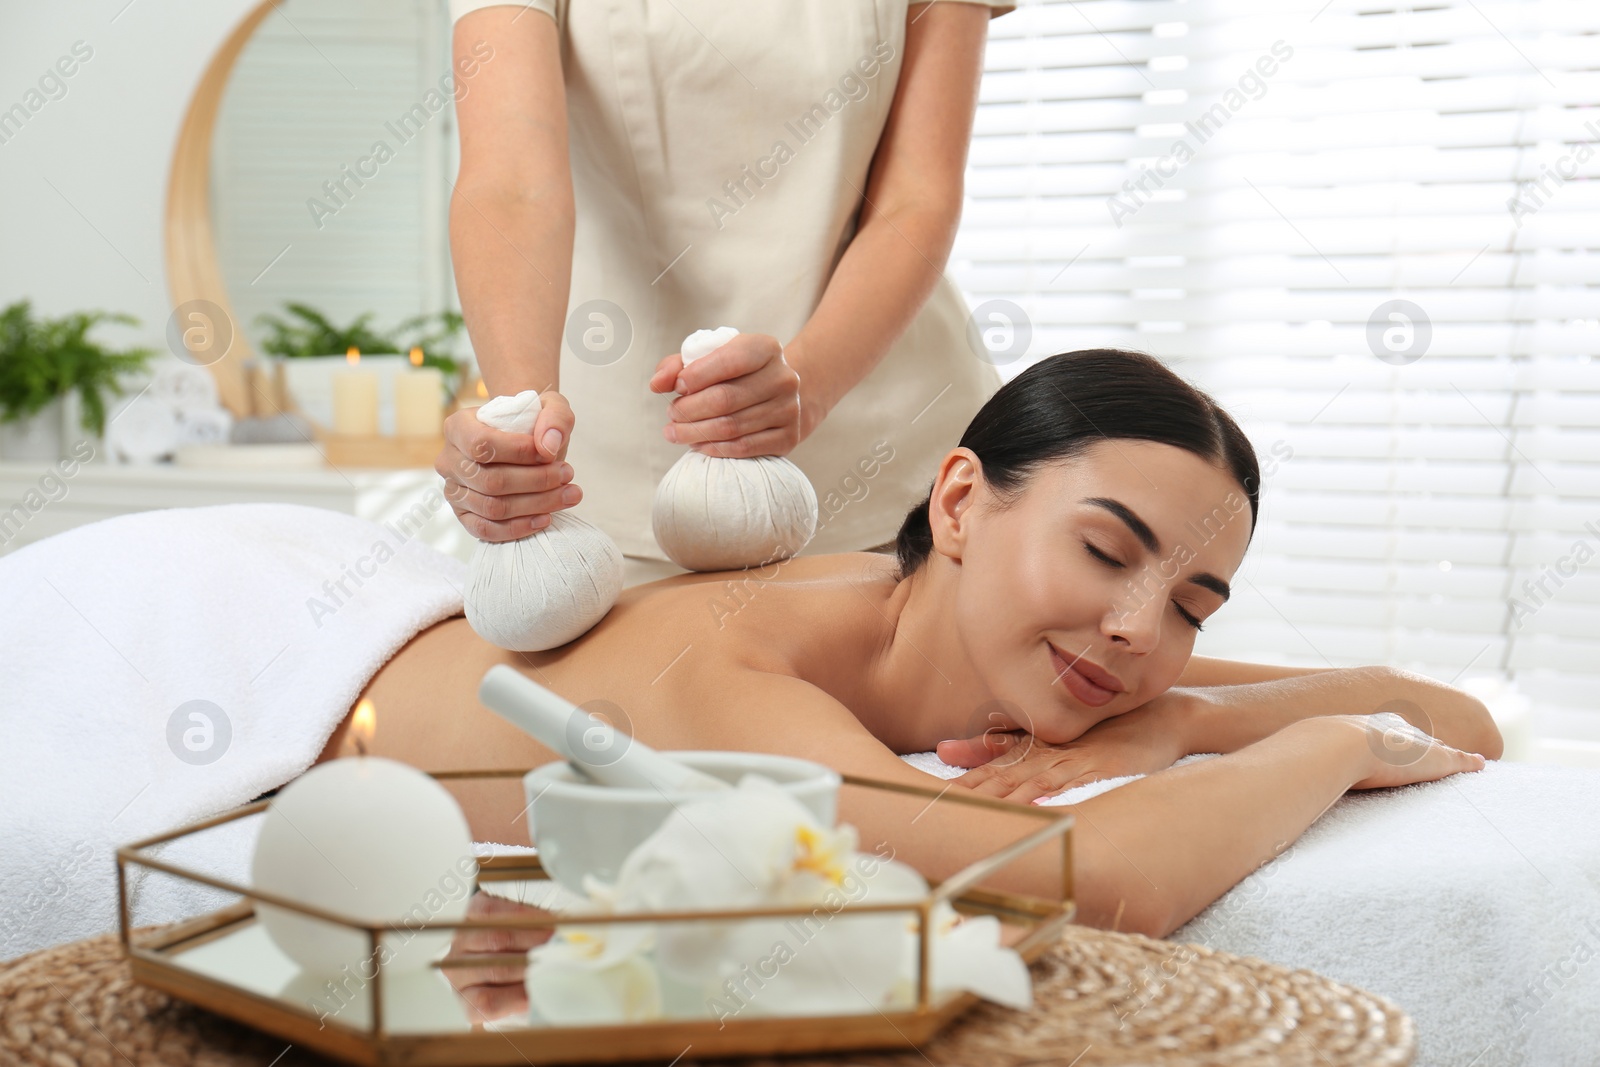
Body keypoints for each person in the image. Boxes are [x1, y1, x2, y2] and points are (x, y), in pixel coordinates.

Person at [332, 349, 1500, 940]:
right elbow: (1077, 885)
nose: (1143, 627)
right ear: (957, 503)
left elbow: (1455, 715)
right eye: (1103, 549)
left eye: (1195, 605)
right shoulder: (742, 667)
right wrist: (1333, 744)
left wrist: (1182, 716)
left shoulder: (1070, 646)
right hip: (284, 641)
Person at [436, 0, 1016, 584]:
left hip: (895, 464)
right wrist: (522, 421)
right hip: (618, 481)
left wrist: (809, 382)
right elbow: (512, 185)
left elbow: (918, 194)